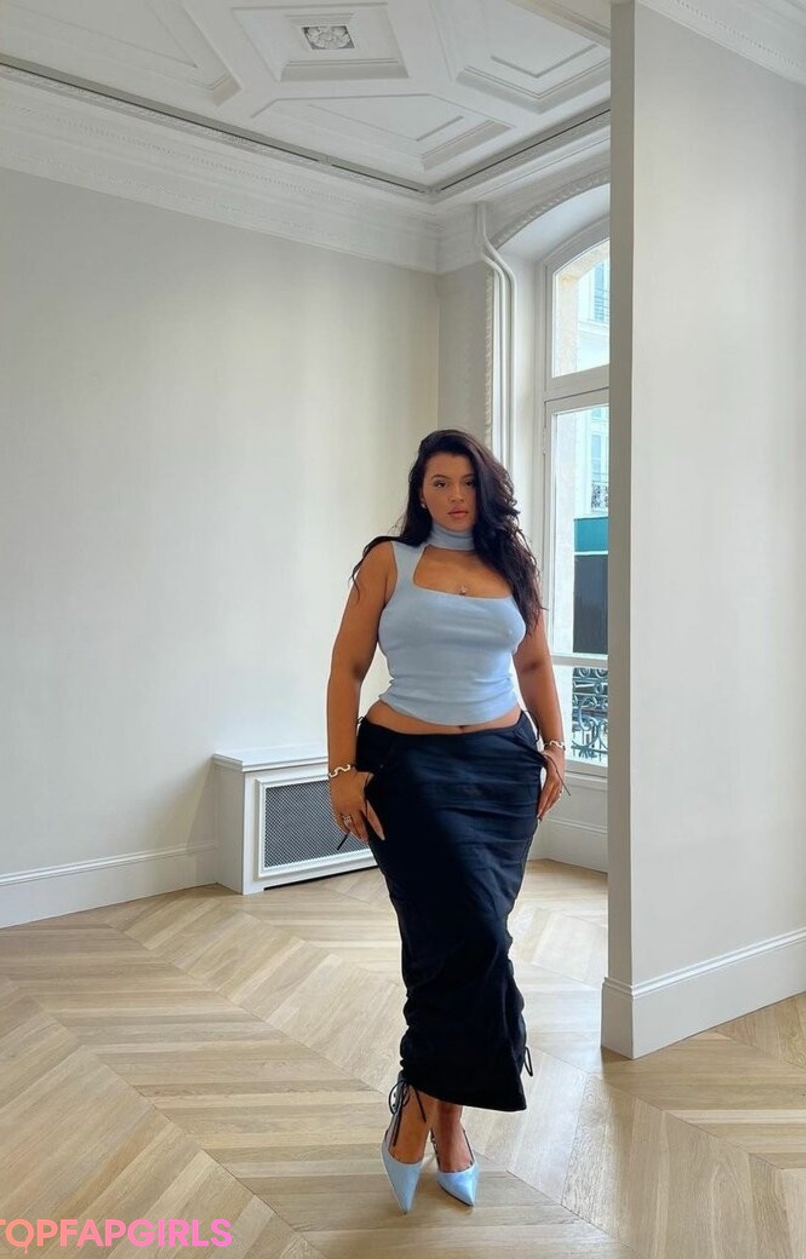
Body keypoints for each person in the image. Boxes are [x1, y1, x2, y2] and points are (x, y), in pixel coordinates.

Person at [325, 428, 567, 1213]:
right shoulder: (388, 560)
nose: (455, 496)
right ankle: (441, 1122)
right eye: (439, 482)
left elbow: (534, 664)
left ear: (486, 490)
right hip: (408, 769)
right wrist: (341, 769)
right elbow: (347, 668)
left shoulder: (512, 566)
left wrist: (555, 744)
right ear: (420, 490)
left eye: (467, 482)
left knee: (456, 946)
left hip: (502, 772)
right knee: (476, 936)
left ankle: (429, 1111)